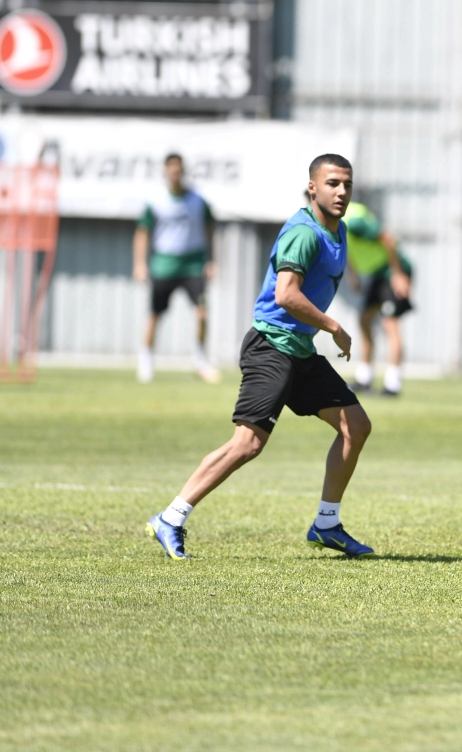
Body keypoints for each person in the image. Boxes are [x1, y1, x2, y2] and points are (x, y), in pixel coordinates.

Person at [147, 154, 375, 560]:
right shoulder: (303, 233)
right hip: (271, 346)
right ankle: (171, 517)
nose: (341, 192)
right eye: (333, 183)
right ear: (313, 188)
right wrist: (334, 327)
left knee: (355, 426)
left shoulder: (338, 230)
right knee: (248, 443)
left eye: (347, 185)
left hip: (299, 349)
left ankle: (326, 524)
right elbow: (285, 295)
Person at [133, 153, 218, 384]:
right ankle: (146, 360)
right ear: (165, 171)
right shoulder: (156, 200)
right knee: (155, 314)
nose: (175, 173)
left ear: (183, 171)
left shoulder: (198, 201)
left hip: (193, 264)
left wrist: (211, 260)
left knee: (202, 311)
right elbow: (142, 232)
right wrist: (139, 264)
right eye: (171, 169)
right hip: (164, 264)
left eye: (178, 169)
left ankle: (200, 360)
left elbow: (209, 229)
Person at [342, 198, 412, 396]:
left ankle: (393, 383)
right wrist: (353, 275)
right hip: (377, 273)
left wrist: (398, 274)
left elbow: (387, 238)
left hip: (391, 270)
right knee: (364, 320)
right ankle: (364, 378)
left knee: (390, 323)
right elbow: (348, 248)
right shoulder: (334, 222)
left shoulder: (353, 220)